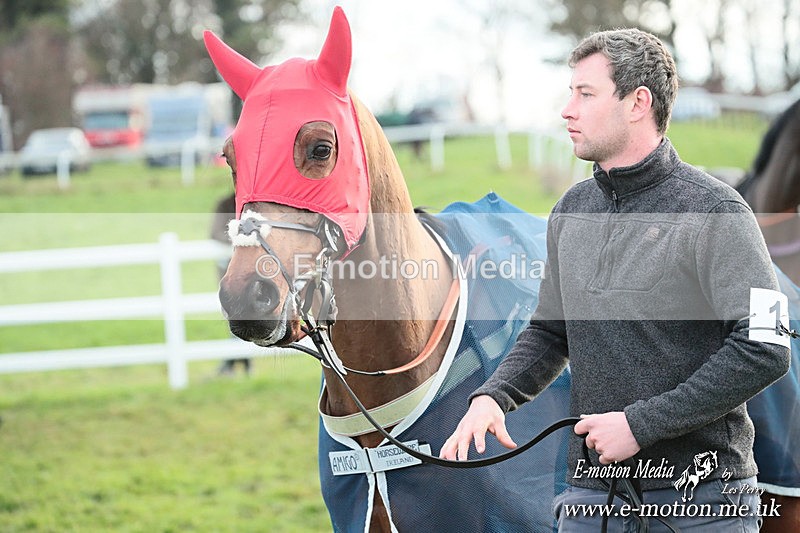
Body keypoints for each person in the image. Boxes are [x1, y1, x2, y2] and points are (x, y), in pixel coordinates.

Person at [440, 28, 791, 531]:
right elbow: (549, 331)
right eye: (571, 93)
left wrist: (640, 425)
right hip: (590, 501)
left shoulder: (718, 209)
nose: (568, 109)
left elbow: (767, 344)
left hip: (702, 502)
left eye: (586, 94)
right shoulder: (569, 211)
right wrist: (492, 397)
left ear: (637, 103)